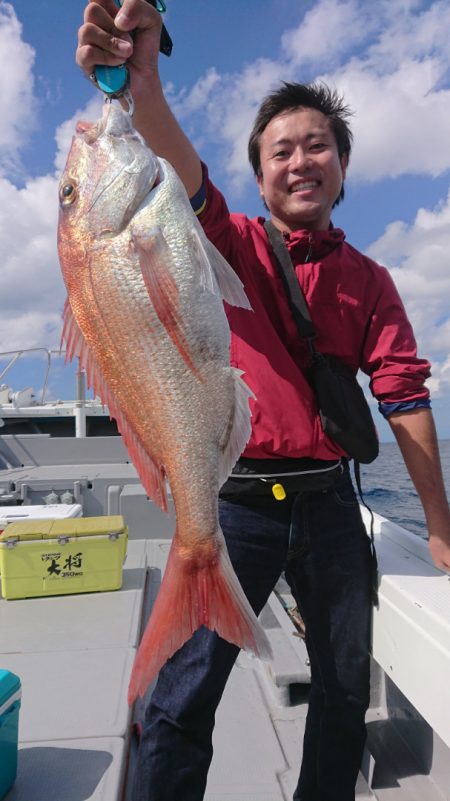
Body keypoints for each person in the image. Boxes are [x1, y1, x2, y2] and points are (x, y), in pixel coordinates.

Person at [76, 3, 450, 800]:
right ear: (260, 175)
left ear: (342, 166)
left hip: (330, 506)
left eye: (318, 145)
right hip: (234, 499)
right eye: (282, 150)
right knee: (180, 700)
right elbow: (182, 173)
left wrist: (440, 527)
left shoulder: (372, 281)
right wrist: (142, 81)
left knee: (343, 689)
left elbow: (405, 396)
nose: (301, 161)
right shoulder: (230, 239)